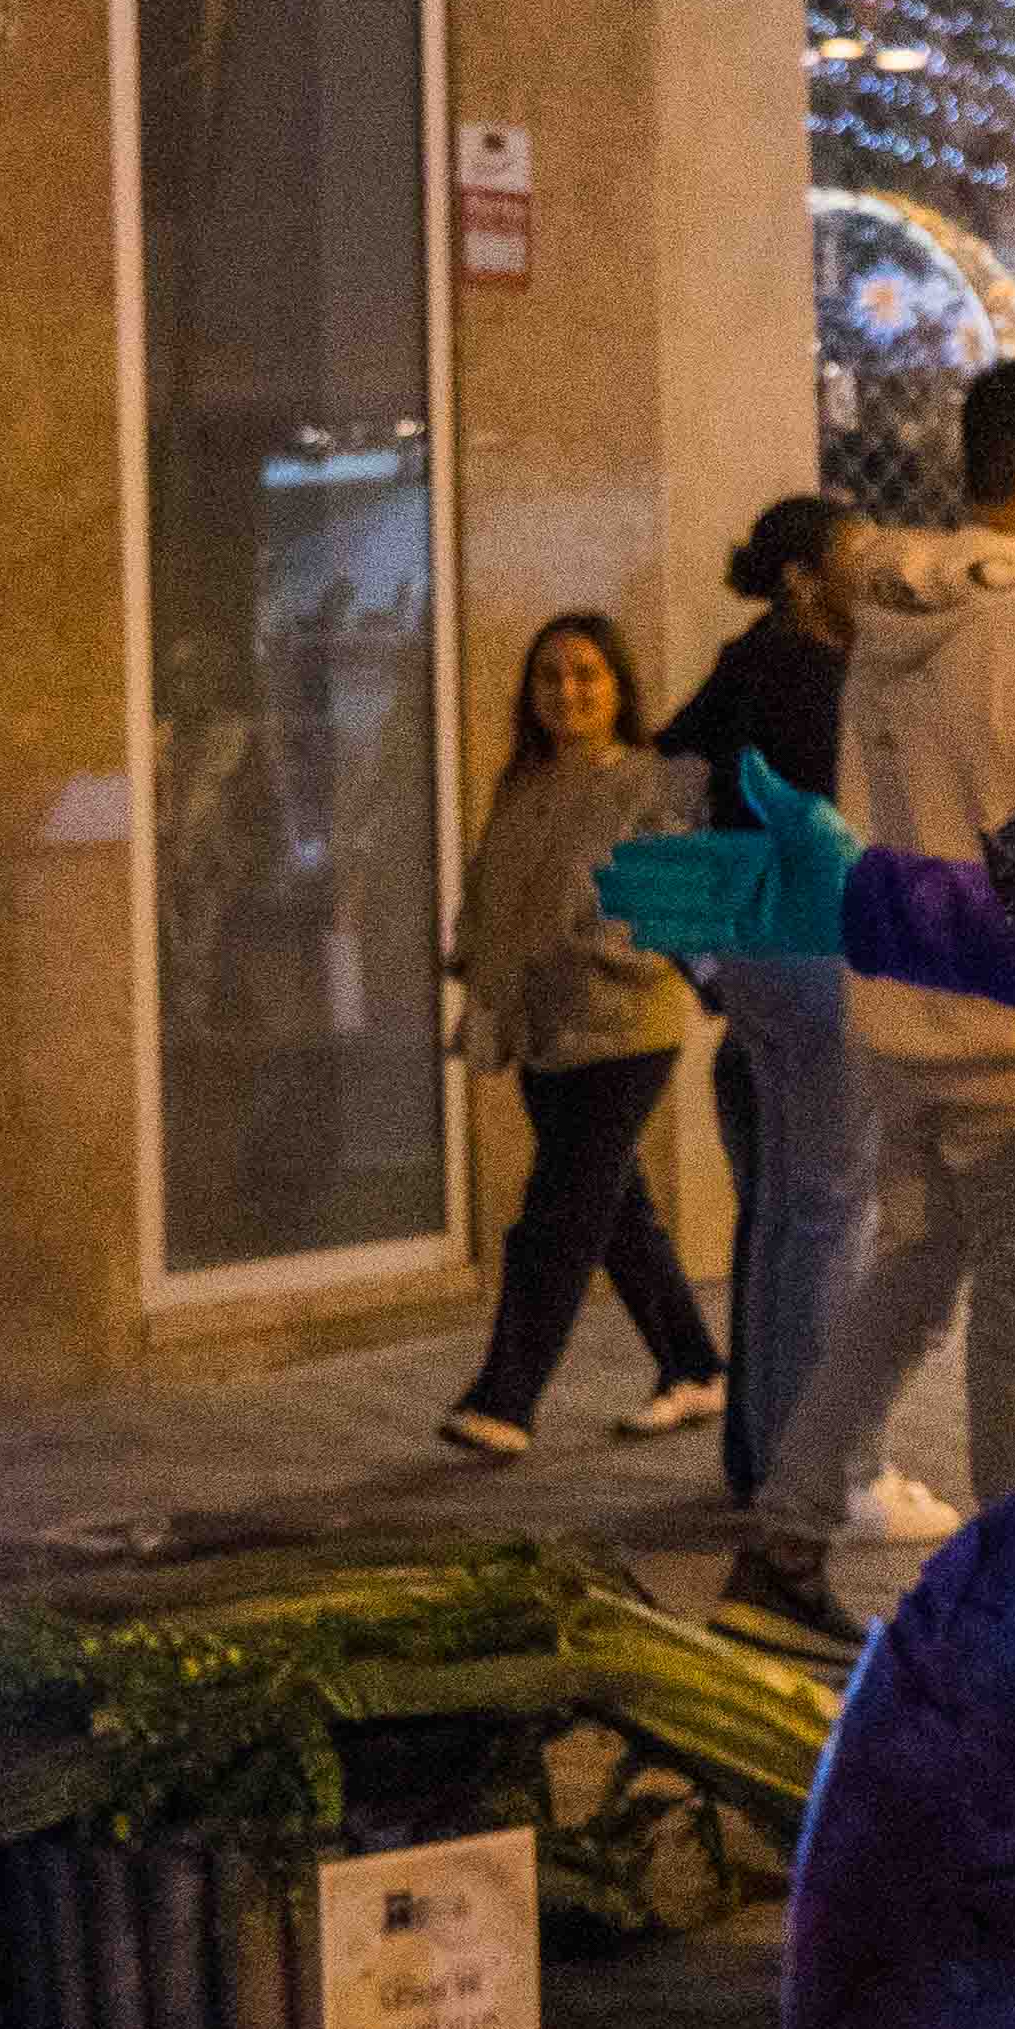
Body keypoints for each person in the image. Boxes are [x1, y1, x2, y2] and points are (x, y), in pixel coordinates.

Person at [750, 352, 1015, 1583]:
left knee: (905, 1284)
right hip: (1009, 1027)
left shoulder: (892, 624)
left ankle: (786, 1537)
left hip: (896, 1013)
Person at [437, 611, 724, 1458]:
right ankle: (695, 1365)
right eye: (551, 678)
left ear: (619, 688)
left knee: (555, 1217)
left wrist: (592, 947)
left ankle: (506, 1399)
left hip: (624, 1030)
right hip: (543, 1031)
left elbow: (672, 896)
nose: (569, 692)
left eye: (588, 675)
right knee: (615, 1210)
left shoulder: (653, 781)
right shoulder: (522, 786)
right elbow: (495, 894)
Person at [656, 493, 871, 1520]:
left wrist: (703, 950)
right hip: (821, 954)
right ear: (803, 576)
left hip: (759, 962)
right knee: (827, 1215)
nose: (873, 571)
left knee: (791, 1211)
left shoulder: (745, 662)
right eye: (855, 554)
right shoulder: (816, 677)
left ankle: (774, 1458)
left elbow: (658, 783)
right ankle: (812, 1473)